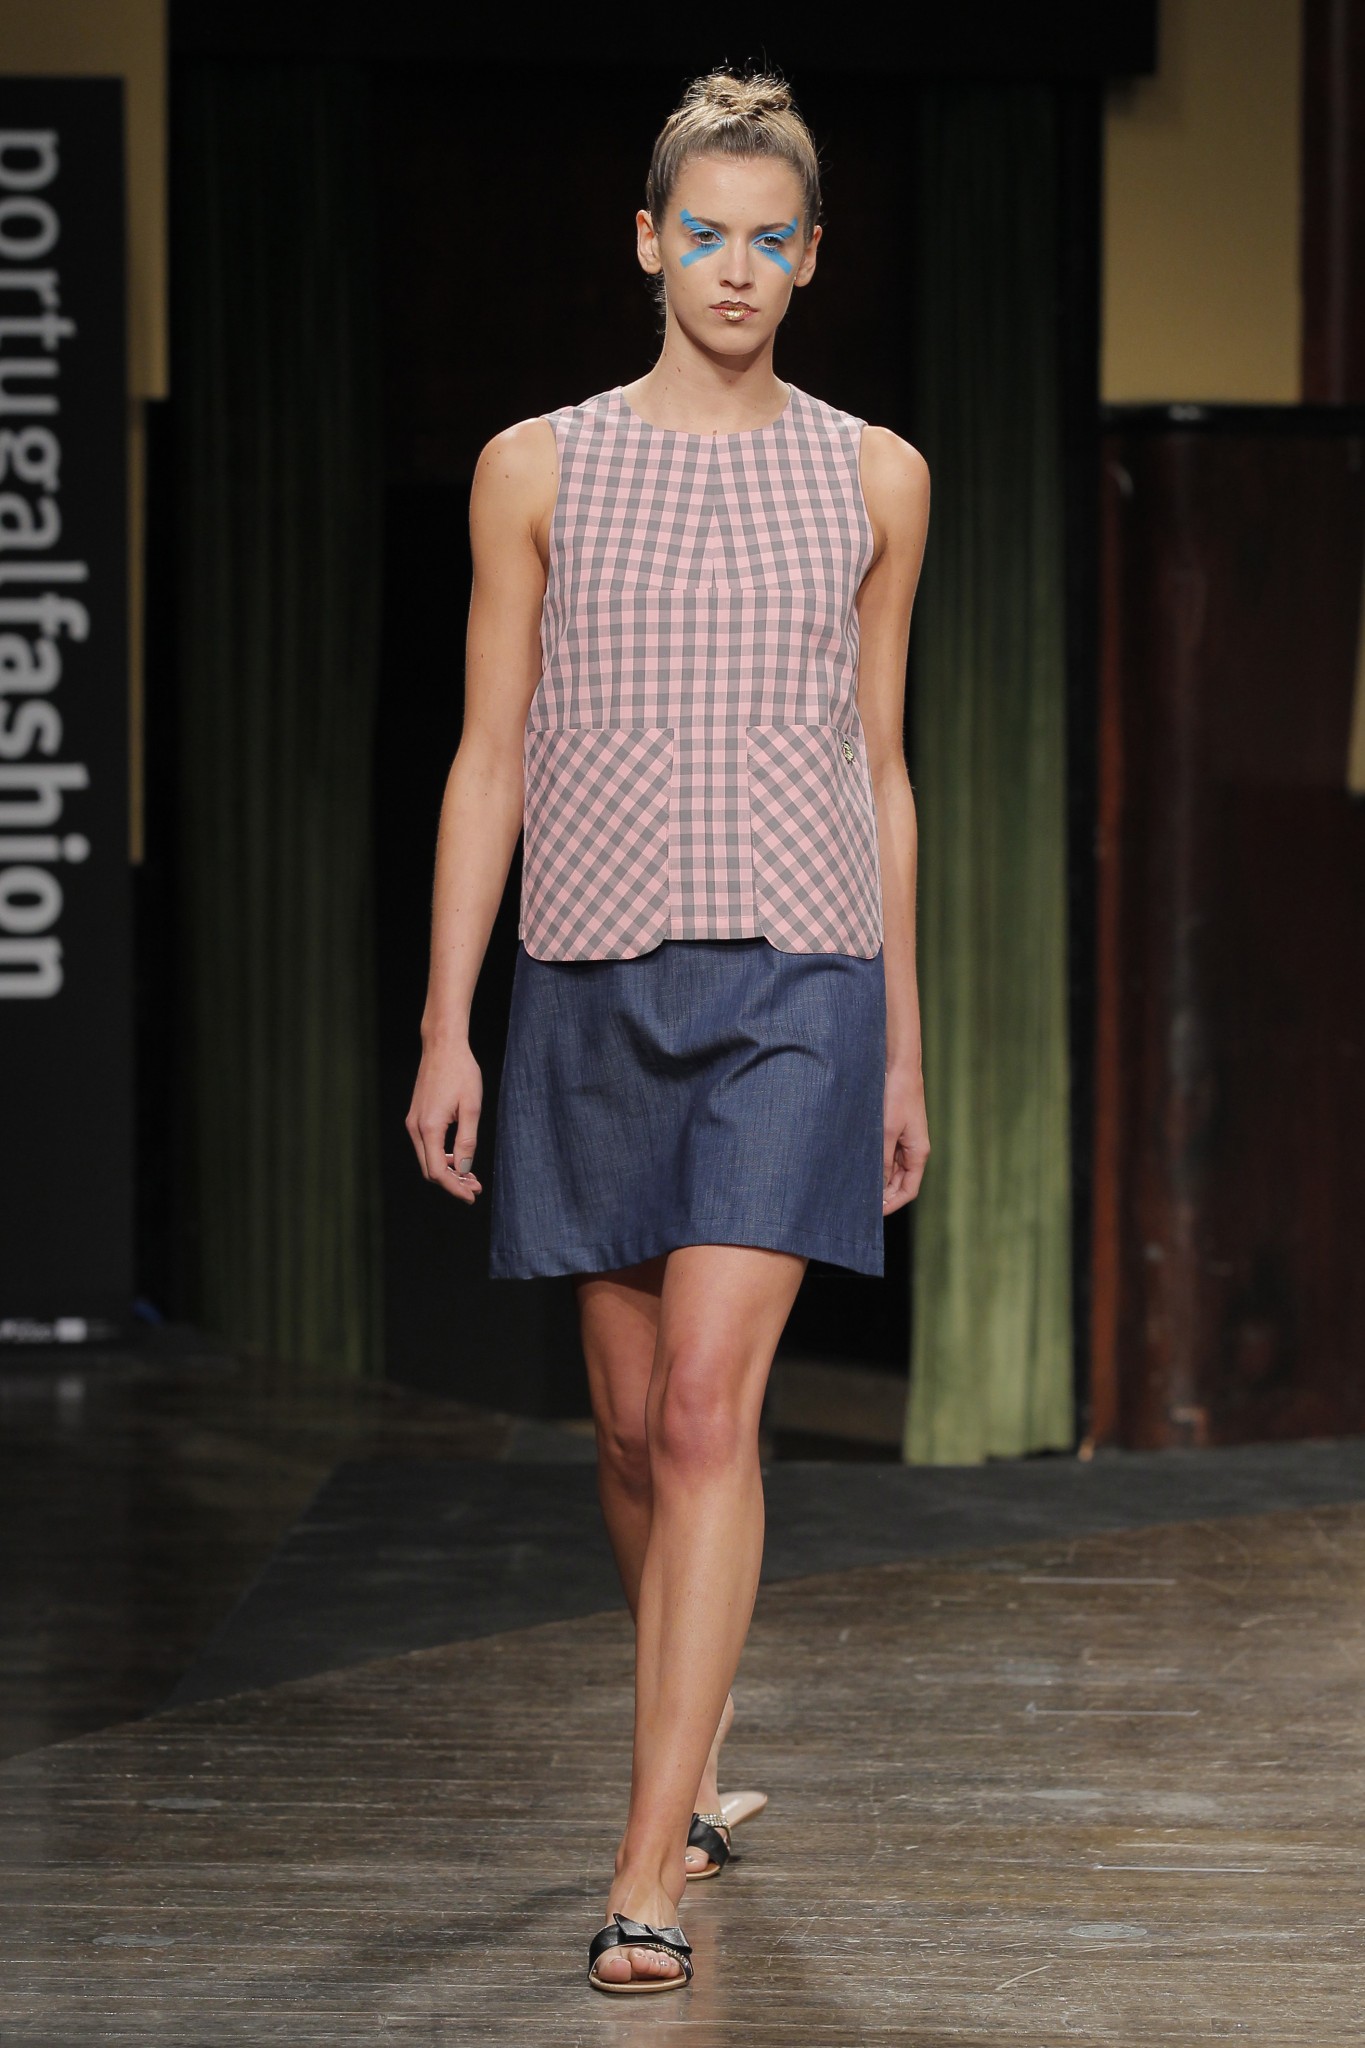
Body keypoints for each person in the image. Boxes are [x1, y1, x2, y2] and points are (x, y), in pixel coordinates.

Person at [405, 68, 931, 1995]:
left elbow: (879, 772)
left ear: (811, 259)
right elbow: (487, 754)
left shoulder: (875, 476)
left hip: (797, 982)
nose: (732, 267)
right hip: (590, 980)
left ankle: (644, 1870)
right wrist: (447, 1022)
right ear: (646, 241)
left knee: (709, 1409)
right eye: (700, 231)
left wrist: (901, 1043)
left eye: (767, 238)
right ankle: (694, 1762)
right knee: (631, 1430)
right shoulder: (533, 467)